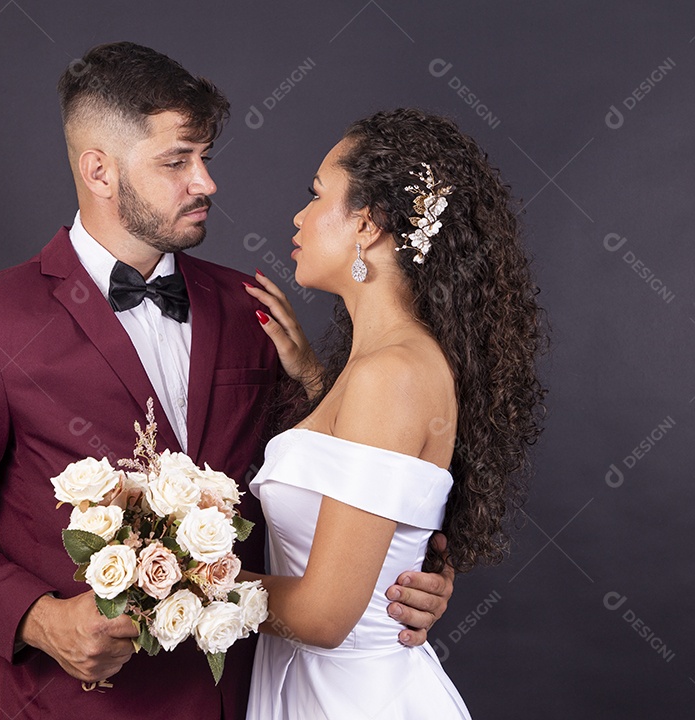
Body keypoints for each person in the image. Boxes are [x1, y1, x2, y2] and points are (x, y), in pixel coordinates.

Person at [0, 42, 453, 719]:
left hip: (255, 696)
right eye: (177, 161)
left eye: (205, 159)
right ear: (99, 171)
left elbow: (332, 483)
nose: (206, 183)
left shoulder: (251, 305)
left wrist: (417, 573)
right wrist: (39, 620)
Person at [239, 108, 547, 718]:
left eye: (316, 194)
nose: (298, 216)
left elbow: (324, 616)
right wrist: (313, 379)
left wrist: (180, 582)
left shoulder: (393, 375)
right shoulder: (385, 368)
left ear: (370, 223)